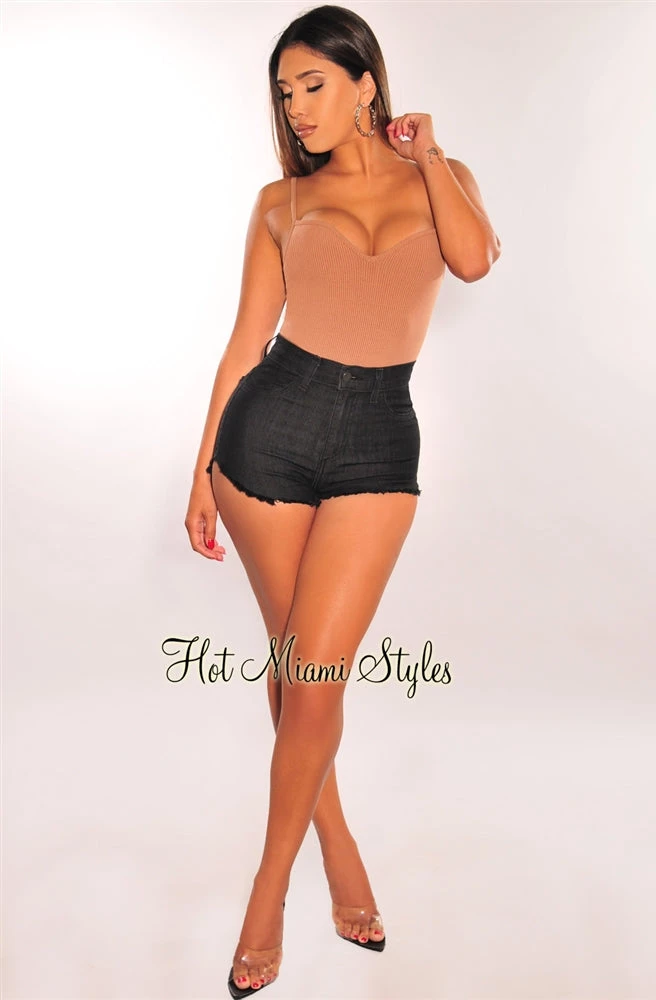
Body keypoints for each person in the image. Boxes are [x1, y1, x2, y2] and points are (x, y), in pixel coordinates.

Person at [184, 5, 501, 996]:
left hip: (377, 438)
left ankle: (273, 883)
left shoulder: (442, 177)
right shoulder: (280, 200)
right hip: (266, 435)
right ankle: (323, 848)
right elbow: (244, 344)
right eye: (285, 93)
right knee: (302, 667)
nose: (296, 108)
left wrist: (431, 152)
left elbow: (474, 259)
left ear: (367, 82)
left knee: (310, 676)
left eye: (313, 84)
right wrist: (199, 472)